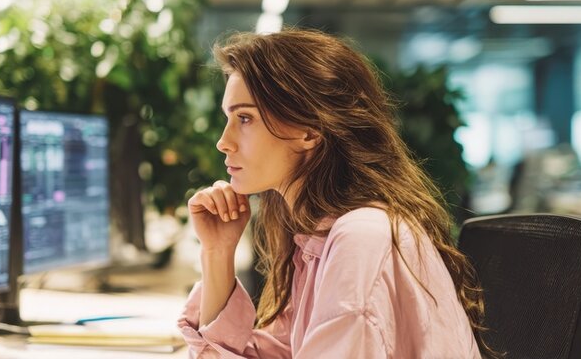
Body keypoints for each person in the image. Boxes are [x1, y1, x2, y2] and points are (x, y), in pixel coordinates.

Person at [178, 28, 494, 358]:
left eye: (245, 118)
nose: (223, 141)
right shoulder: (318, 238)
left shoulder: (361, 237)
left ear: (309, 131)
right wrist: (217, 252)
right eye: (229, 118)